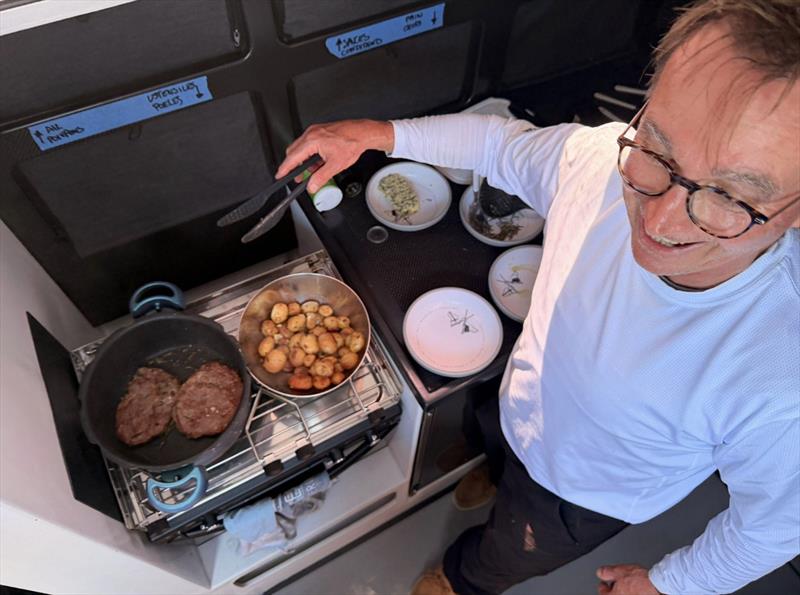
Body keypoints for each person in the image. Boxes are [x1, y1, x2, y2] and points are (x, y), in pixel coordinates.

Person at [276, 0, 800, 593]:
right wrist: (379, 136)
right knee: (493, 447)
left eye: (729, 196)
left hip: (579, 496)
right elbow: (500, 146)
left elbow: (776, 526)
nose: (659, 218)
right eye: (657, 150)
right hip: (521, 400)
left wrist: (669, 583)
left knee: (504, 553)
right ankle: (495, 474)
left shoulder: (783, 373)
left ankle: (456, 582)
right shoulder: (603, 162)